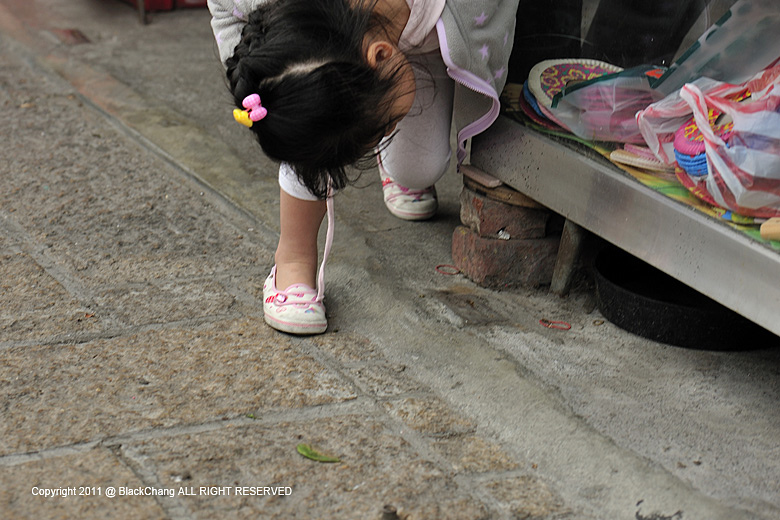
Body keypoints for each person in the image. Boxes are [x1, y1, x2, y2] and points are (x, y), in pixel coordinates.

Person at [208, 0, 518, 334]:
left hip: (428, 39)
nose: (387, 131)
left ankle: (376, 134)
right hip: (345, 45)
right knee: (311, 113)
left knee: (419, 169)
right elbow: (223, 7)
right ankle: (294, 258)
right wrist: (266, 83)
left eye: (384, 128)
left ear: (382, 56)